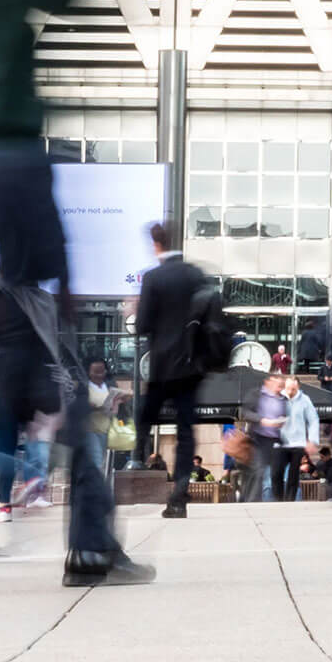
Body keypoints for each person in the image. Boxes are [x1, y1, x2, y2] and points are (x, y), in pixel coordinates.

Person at [133, 221, 210, 519]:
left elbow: (142, 326)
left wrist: (134, 310)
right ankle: (179, 492)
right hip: (191, 366)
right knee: (185, 431)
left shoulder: (154, 278)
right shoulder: (196, 275)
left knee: (145, 418)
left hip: (163, 365)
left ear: (157, 246)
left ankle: (137, 454)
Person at [242, 372, 289, 502]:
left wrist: (284, 422)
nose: (279, 388)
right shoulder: (256, 394)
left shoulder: (283, 399)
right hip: (258, 439)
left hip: (277, 440)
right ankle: (252, 502)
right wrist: (262, 420)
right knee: (258, 470)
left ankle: (279, 502)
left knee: (277, 471)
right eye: (277, 384)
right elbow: (245, 412)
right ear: (268, 382)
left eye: (281, 385)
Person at [277, 376, 321, 502]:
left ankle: (290, 500)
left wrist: (312, 440)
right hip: (281, 442)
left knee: (293, 473)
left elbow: (313, 420)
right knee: (277, 472)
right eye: (288, 388)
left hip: (298, 443)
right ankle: (278, 498)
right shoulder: (279, 398)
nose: (290, 392)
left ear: (298, 387)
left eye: (293, 389)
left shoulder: (305, 400)